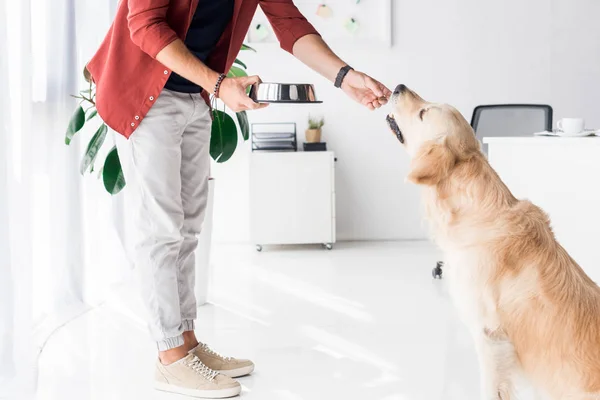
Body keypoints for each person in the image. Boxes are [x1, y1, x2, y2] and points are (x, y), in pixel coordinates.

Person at [86, 0, 391, 398]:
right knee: (162, 230)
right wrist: (218, 84)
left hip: (195, 96)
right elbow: (144, 24)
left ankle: (188, 344)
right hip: (146, 94)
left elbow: (289, 24)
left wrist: (345, 77)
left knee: (189, 225)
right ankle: (170, 357)